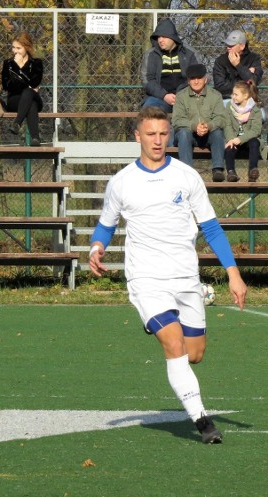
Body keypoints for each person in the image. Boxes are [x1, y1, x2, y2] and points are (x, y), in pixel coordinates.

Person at [89, 106, 248, 444]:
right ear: (137, 136)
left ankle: (165, 327)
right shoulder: (121, 182)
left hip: (186, 279)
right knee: (174, 345)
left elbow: (211, 228)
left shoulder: (186, 176)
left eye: (163, 134)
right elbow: (106, 225)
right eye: (151, 134)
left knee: (194, 353)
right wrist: (96, 249)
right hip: (146, 279)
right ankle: (203, 422)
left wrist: (233, 274)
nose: (158, 141)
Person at [172, 63, 228, 182]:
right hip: (189, 135)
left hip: (209, 134)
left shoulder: (215, 96)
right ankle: (188, 172)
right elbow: (177, 120)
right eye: (192, 78)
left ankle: (217, 170)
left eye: (199, 78)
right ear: (188, 81)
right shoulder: (181, 96)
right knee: (183, 133)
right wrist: (194, 126)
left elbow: (221, 118)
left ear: (205, 79)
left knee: (218, 133)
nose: (196, 81)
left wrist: (209, 126)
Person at [140, 18, 199, 114]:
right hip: (159, 98)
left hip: (187, 97)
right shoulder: (151, 54)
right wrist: (164, 95)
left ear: (173, 37)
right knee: (148, 113)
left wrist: (182, 95)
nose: (160, 40)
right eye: (158, 37)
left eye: (163, 36)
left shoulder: (189, 53)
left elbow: (199, 76)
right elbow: (147, 80)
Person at [2, 32, 43, 146]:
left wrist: (20, 69)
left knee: (28, 92)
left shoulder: (36, 63)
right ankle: (36, 138)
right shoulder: (8, 63)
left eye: (18, 48)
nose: (15, 51)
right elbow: (6, 85)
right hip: (14, 100)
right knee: (31, 103)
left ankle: (17, 123)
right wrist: (27, 84)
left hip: (33, 97)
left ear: (27, 47)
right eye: (13, 47)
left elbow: (35, 82)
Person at [224, 81, 264, 182]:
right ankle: (231, 172)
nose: (233, 96)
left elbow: (256, 130)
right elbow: (227, 125)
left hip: (248, 139)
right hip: (234, 138)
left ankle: (252, 170)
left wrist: (240, 139)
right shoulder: (229, 106)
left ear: (245, 95)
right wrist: (231, 139)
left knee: (254, 142)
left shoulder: (255, 109)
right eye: (233, 94)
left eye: (236, 94)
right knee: (229, 147)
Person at [212, 30, 264, 101]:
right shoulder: (220, 61)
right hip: (226, 99)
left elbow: (253, 82)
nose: (228, 47)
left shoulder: (254, 59)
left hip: (248, 99)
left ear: (242, 46)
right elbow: (219, 86)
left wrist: (238, 65)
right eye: (227, 45)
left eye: (231, 45)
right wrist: (245, 79)